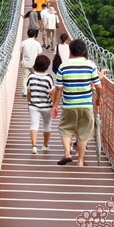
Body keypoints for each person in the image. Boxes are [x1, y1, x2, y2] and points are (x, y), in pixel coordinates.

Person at [51, 39, 102, 167]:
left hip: (69, 105)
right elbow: (98, 86)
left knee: (65, 128)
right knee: (83, 133)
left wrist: (55, 105)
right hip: (86, 105)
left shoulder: (63, 66)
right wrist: (98, 98)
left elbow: (58, 88)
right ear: (84, 51)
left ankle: (67, 153)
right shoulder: (90, 65)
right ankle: (80, 161)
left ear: (70, 51)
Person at [26, 54, 55, 154]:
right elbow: (51, 93)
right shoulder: (49, 78)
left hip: (34, 105)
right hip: (47, 106)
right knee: (47, 125)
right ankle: (45, 145)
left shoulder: (31, 76)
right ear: (47, 66)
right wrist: (54, 105)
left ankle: (34, 146)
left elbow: (29, 92)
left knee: (34, 125)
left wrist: (29, 103)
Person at [19, 28, 41, 97]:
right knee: (36, 77)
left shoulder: (23, 43)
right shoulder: (37, 43)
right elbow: (39, 54)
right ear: (34, 35)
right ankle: (35, 91)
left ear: (27, 34)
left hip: (25, 62)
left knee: (25, 78)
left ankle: (25, 92)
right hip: (34, 63)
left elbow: (21, 53)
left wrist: (21, 61)